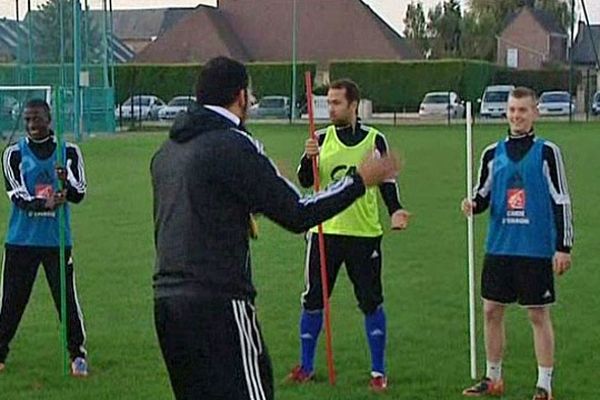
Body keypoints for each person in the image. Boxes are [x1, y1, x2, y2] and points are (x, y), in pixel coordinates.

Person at [151, 56, 399, 400]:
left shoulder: (168, 151)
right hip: (220, 300)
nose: (251, 102)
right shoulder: (234, 142)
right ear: (240, 96)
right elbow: (297, 212)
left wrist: (242, 212)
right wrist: (359, 181)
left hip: (167, 303)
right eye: (250, 94)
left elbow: (194, 209)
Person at [287, 79, 410, 392]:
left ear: (354, 105)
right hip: (324, 232)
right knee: (313, 300)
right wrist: (307, 157)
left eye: (337, 103)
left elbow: (386, 180)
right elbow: (305, 181)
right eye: (328, 103)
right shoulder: (320, 137)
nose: (331, 109)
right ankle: (305, 366)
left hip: (363, 233)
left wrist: (395, 209)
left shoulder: (374, 139)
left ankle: (378, 372)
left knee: (370, 302)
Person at [461, 87, 573, 400]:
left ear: (534, 112)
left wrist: (563, 246)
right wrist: (471, 203)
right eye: (512, 110)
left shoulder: (547, 152)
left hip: (535, 248)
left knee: (537, 314)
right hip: (499, 246)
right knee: (491, 310)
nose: (516, 116)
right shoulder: (491, 153)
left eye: (522, 110)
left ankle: (544, 385)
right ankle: (493, 378)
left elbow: (560, 200)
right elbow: (482, 195)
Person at [0, 99, 88, 376]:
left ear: (49, 119)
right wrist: (43, 203)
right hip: (21, 241)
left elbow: (79, 191)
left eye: (36, 119)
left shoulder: (68, 151)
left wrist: (67, 187)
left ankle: (77, 354)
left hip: (56, 240)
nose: (31, 125)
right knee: (12, 301)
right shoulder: (13, 154)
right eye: (27, 120)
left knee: (66, 300)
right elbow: (16, 194)